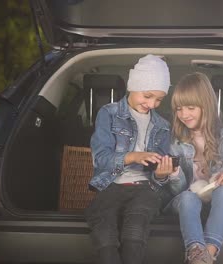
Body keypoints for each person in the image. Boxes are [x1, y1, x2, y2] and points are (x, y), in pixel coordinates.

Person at [85, 54, 177, 264]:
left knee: (136, 226)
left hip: (146, 188)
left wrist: (161, 174)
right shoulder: (109, 114)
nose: (152, 103)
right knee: (103, 222)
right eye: (147, 95)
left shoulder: (163, 125)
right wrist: (132, 156)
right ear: (132, 86)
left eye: (159, 99)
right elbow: (101, 159)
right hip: (112, 184)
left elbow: (159, 176)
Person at [167, 72, 223, 264]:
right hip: (188, 204)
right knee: (188, 197)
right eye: (179, 109)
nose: (184, 115)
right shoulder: (175, 143)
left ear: (207, 106)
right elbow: (176, 192)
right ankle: (196, 251)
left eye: (190, 107)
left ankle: (207, 255)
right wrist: (174, 175)